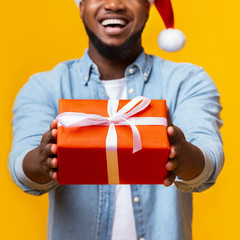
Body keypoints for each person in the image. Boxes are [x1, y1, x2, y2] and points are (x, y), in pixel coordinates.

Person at [8, 0, 224, 239]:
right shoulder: (43, 88)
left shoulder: (187, 81)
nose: (113, 4)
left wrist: (184, 157)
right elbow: (21, 166)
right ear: (80, 6)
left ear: (148, 6)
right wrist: (42, 161)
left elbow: (209, 159)